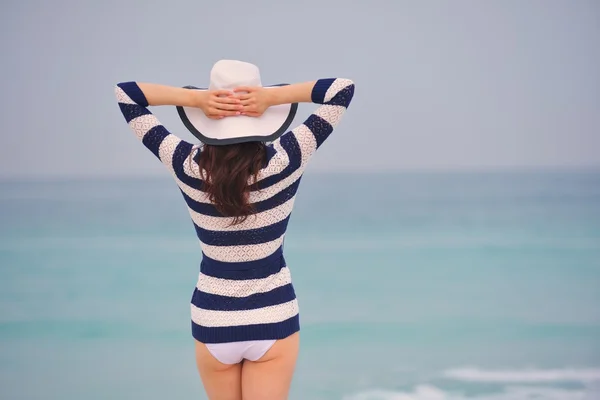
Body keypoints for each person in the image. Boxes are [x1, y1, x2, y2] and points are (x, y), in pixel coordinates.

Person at [115, 59, 355, 400]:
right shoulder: (287, 158)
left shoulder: (185, 165)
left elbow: (126, 95)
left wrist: (195, 100)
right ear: (261, 115)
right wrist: (271, 98)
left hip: (213, 319)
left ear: (208, 120)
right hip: (273, 316)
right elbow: (341, 90)